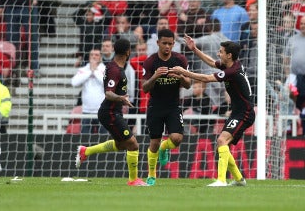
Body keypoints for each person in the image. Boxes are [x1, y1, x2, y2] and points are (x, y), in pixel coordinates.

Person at [168, 35, 255, 186]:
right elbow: (210, 61)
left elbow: (207, 78)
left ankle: (221, 180)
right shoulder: (230, 65)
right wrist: (194, 49)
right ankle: (239, 179)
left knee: (222, 140)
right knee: (222, 143)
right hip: (238, 112)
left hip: (244, 113)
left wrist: (184, 72)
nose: (218, 54)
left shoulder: (232, 71)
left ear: (229, 55)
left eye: (221, 52)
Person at [75, 39, 148, 186]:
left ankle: (85, 151)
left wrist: (121, 99)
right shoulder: (115, 69)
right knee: (133, 144)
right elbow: (108, 93)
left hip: (113, 111)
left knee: (121, 145)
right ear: (128, 52)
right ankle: (134, 180)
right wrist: (121, 97)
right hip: (110, 113)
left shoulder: (115, 67)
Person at [142, 29, 191, 186]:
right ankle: (151, 175)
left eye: (170, 44)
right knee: (154, 142)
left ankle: (165, 147)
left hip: (173, 106)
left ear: (173, 44)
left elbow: (189, 85)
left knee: (176, 138)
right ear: (158, 43)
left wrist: (180, 77)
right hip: (155, 106)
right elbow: (144, 88)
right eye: (164, 43)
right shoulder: (150, 62)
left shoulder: (180, 60)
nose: (167, 47)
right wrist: (155, 76)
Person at [71, 49, 107, 134]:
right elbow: (74, 82)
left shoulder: (105, 69)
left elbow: (106, 82)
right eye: (92, 55)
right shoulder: (83, 69)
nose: (94, 57)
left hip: (102, 110)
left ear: (100, 57)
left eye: (96, 55)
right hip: (86, 111)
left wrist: (95, 72)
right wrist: (90, 71)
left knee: (104, 138)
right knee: (85, 139)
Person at [284, 15, 305, 135]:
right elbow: (286, 58)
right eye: (301, 23)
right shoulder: (292, 39)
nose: (303, 26)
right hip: (294, 77)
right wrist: (288, 76)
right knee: (291, 101)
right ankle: (289, 128)